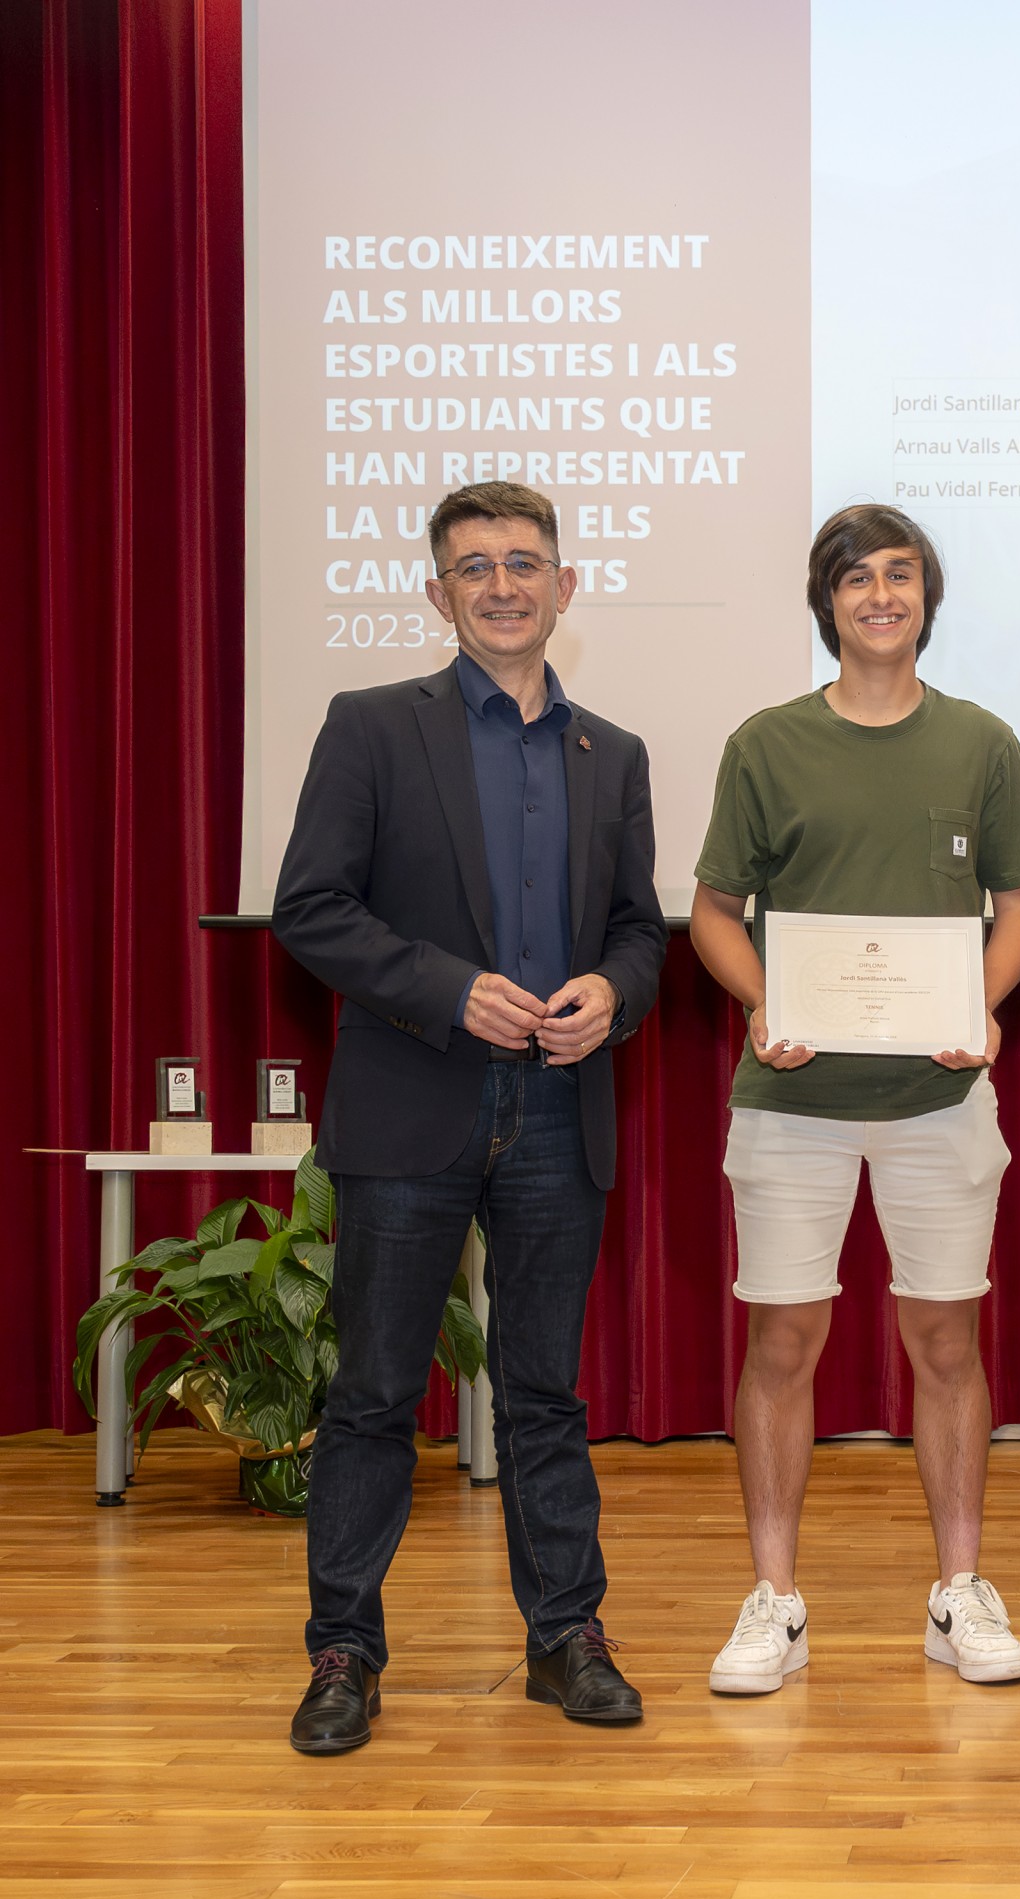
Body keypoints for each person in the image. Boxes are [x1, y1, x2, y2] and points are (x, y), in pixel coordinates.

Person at [272, 481, 668, 1754]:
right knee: (376, 1394)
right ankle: (344, 1653)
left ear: (565, 586)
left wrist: (614, 992)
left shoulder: (615, 753)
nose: (503, 585)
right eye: (475, 566)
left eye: (524, 563)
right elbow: (311, 908)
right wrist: (450, 991)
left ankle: (566, 1637)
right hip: (412, 1104)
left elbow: (638, 930)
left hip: (559, 1105)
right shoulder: (371, 725)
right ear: (437, 594)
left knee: (544, 1391)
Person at [691, 505, 1020, 1691]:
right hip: (789, 1102)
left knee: (945, 1340)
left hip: (938, 1100)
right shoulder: (766, 744)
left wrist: (979, 1006)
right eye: (856, 578)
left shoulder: (981, 744)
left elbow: (1016, 910)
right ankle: (775, 1600)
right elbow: (715, 914)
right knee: (782, 1339)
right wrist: (761, 1002)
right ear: (827, 602)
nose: (880, 595)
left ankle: (959, 1592)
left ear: (925, 597)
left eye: (900, 575)